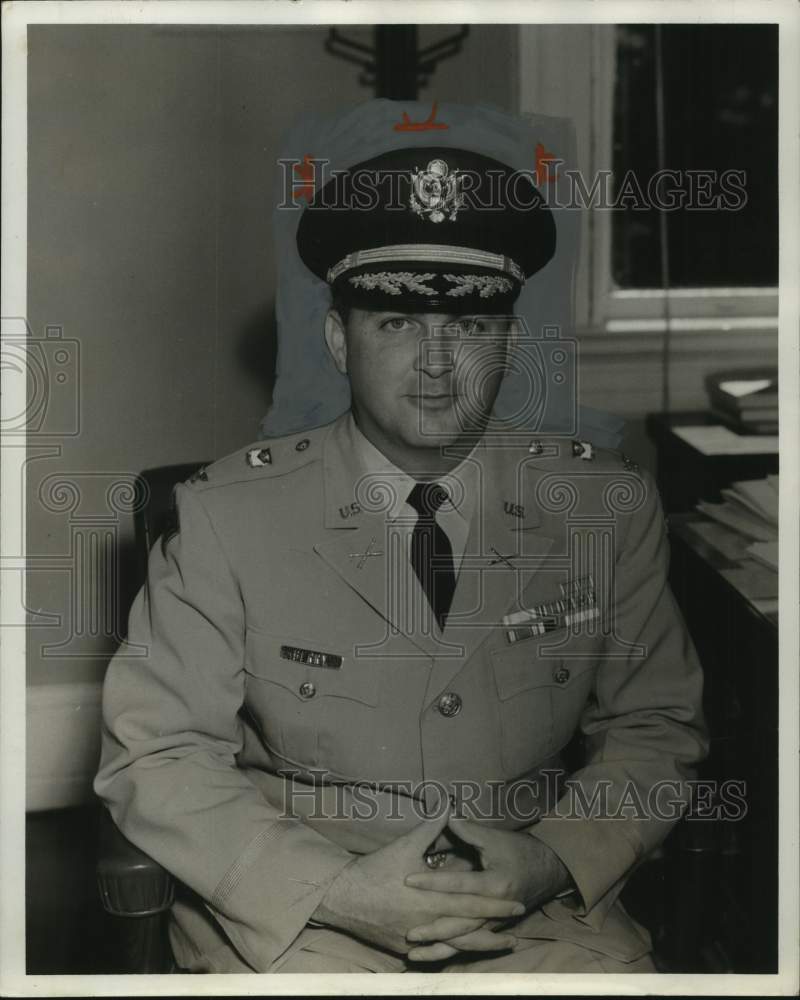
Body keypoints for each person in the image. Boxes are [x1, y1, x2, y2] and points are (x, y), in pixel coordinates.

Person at [95, 143, 708, 974]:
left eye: (469, 325)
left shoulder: (605, 507)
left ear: (507, 341)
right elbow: (157, 752)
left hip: (538, 915)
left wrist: (554, 861)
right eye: (396, 323)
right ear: (339, 341)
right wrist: (337, 891)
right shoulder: (226, 516)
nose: (435, 362)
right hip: (300, 915)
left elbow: (654, 726)